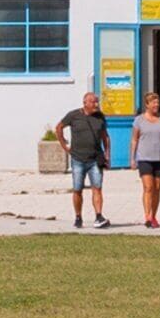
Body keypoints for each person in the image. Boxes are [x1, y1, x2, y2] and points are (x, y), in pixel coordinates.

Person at [53, 87, 112, 227]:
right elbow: (59, 127)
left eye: (97, 102)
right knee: (77, 189)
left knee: (97, 187)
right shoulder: (73, 115)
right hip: (78, 159)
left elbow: (105, 137)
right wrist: (64, 145)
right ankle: (78, 217)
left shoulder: (100, 117)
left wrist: (107, 154)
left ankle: (99, 216)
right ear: (85, 103)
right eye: (93, 102)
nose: (96, 105)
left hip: (95, 159)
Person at [131, 93, 160, 226]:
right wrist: (132, 158)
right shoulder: (139, 120)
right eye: (153, 103)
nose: (156, 105)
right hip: (144, 158)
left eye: (157, 102)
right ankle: (147, 216)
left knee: (157, 188)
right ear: (147, 104)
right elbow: (134, 139)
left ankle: (154, 216)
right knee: (148, 187)